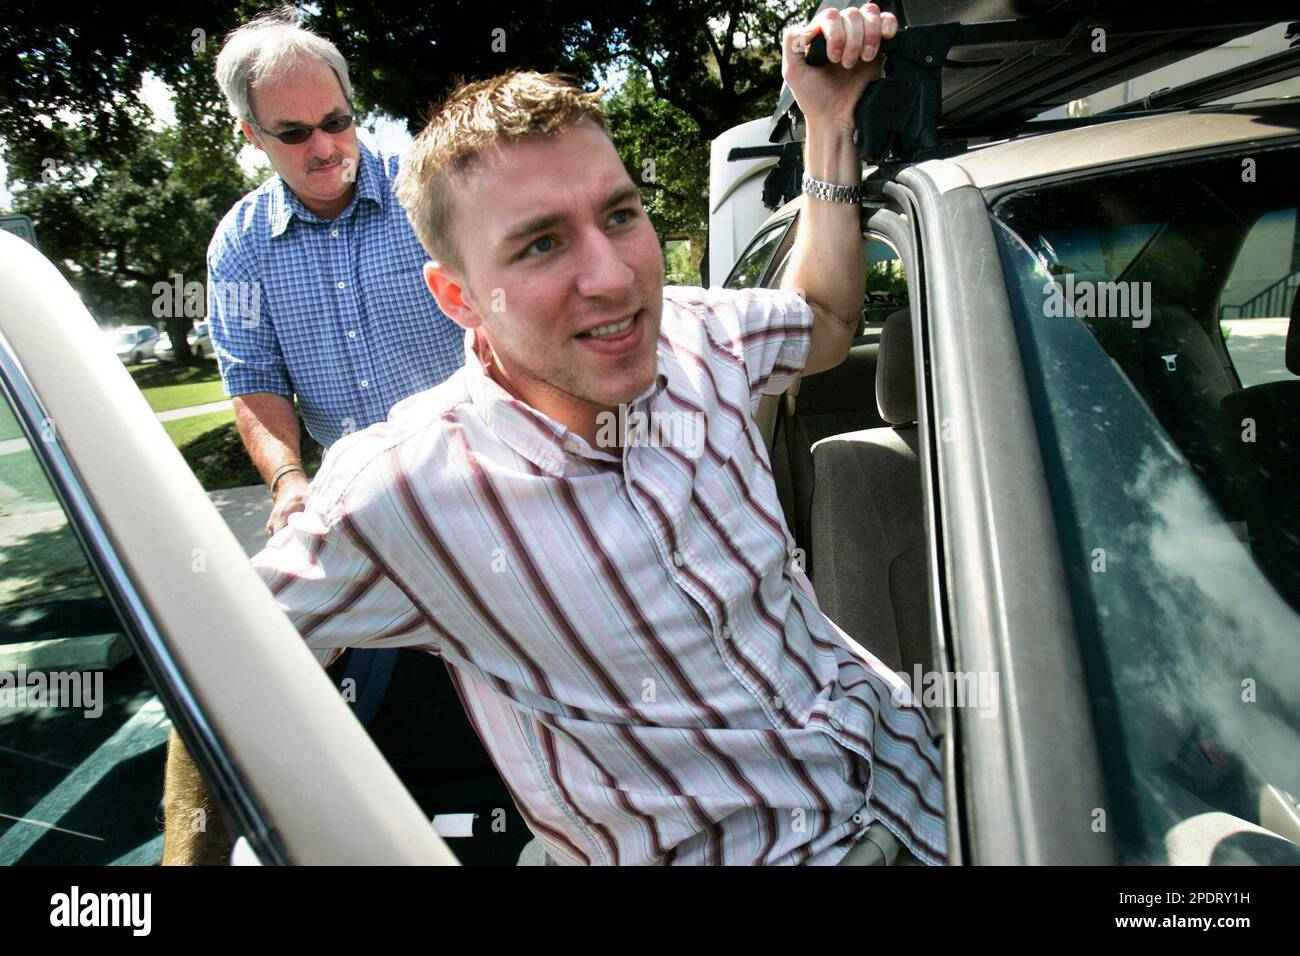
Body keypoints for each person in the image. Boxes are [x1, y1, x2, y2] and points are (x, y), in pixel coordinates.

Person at [167, 2, 947, 865]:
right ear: (457, 297)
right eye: (540, 245)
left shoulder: (700, 333)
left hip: (932, 788)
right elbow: (211, 671)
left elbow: (828, 317)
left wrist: (829, 121)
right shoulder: (402, 492)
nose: (613, 279)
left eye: (619, 216)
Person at [164, 10, 525, 865]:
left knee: (518, 693)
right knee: (227, 665)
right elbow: (252, 383)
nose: (326, 147)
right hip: (350, 498)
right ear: (251, 134)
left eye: (337, 121)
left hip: (483, 477)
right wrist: (289, 482)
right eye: (295, 134)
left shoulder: (430, 190)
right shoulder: (239, 247)